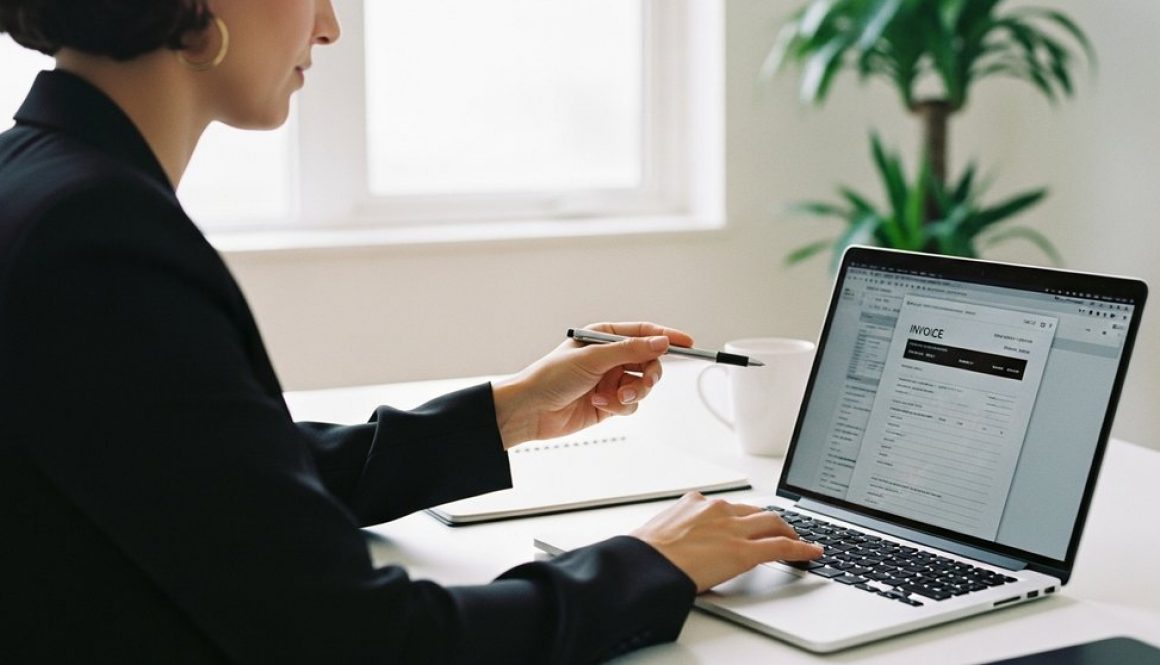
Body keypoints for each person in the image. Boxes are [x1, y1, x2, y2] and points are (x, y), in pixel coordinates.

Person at [0, 1, 822, 662]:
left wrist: (509, 409)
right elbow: (356, 637)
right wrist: (648, 563)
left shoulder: (38, 181)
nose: (328, 24)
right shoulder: (100, 239)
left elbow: (209, 481)